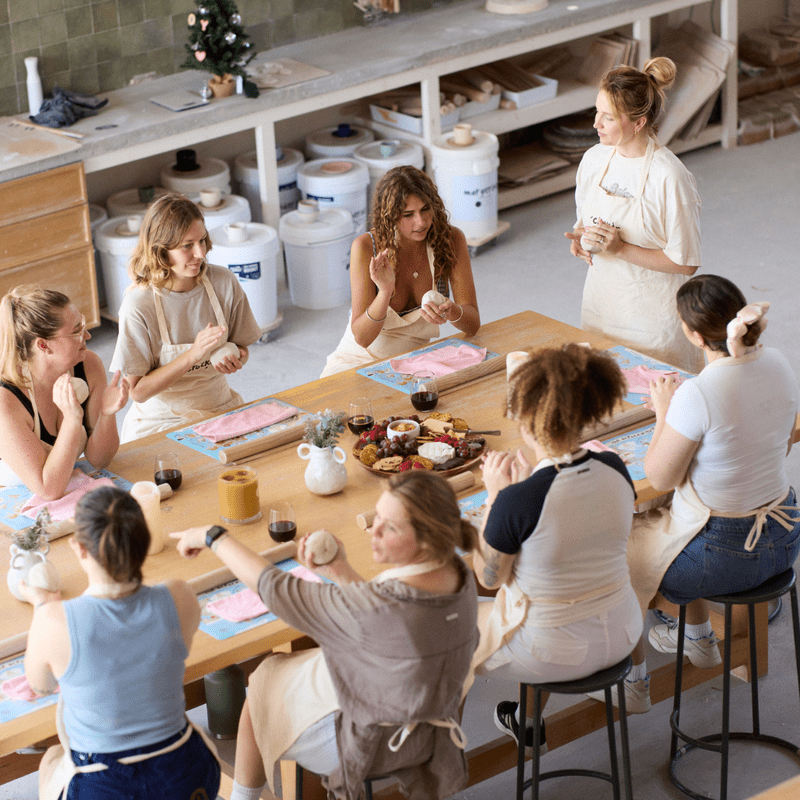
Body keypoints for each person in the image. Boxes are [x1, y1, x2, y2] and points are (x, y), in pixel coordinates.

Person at [172, 470, 479, 800]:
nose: (372, 530)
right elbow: (389, 618)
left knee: (262, 685)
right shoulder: (458, 575)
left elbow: (275, 588)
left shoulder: (374, 610)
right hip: (428, 718)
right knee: (279, 670)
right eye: (377, 517)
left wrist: (213, 535)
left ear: (426, 540)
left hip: (372, 742)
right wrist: (340, 572)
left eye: (389, 527)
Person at [620, 274, 800, 705]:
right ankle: (697, 637)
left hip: (727, 554)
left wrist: (665, 410)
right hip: (786, 533)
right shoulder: (778, 361)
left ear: (692, 334)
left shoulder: (697, 393)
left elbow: (660, 477)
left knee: (615, 550)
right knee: (665, 520)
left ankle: (633, 682)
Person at [469, 343, 643, 747]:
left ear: (526, 424)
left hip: (552, 652)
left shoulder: (518, 501)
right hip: (624, 632)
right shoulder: (616, 467)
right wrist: (526, 487)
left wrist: (496, 496)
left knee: (444, 627)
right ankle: (524, 721)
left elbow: (489, 577)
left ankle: (442, 763)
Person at [21, 485, 220, 800]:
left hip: (103, 787)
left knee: (51, 758)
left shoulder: (54, 620)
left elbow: (41, 686)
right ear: (144, 541)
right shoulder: (180, 596)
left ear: (79, 547)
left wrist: (44, 607)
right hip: (186, 775)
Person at [565, 57, 703, 373]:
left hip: (652, 325)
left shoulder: (669, 177)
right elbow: (584, 219)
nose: (595, 124)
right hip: (601, 311)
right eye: (596, 112)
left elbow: (686, 263)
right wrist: (581, 240)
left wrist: (621, 249)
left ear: (638, 123)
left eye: (608, 118)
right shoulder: (593, 160)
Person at [110, 192, 262, 442]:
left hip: (219, 406)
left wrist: (237, 358)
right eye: (187, 246)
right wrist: (193, 355)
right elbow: (137, 391)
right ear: (160, 251)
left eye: (202, 241)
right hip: (161, 420)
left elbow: (242, 346)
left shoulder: (223, 282)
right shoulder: (138, 304)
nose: (201, 253)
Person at [321, 165, 480, 377]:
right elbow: (362, 337)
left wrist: (453, 312)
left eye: (425, 209)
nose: (421, 222)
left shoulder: (450, 240)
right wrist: (385, 292)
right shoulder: (367, 247)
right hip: (358, 360)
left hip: (415, 363)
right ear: (391, 216)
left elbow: (473, 324)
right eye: (408, 214)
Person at [0, 286, 128, 499]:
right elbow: (48, 489)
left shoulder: (88, 365)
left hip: (67, 488)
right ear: (43, 345)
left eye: (83, 325)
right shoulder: (7, 400)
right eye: (76, 331)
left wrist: (107, 414)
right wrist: (71, 419)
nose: (87, 335)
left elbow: (99, 459)